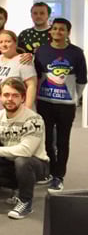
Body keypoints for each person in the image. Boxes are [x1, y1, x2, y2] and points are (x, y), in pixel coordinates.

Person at [0, 78, 49, 220]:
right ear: (1, 97)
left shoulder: (34, 119)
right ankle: (18, 189)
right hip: (11, 160)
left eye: (15, 95)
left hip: (36, 163)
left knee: (22, 162)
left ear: (23, 98)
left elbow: (26, 151)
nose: (10, 99)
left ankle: (26, 202)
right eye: (6, 95)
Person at [34, 18, 87, 192]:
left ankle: (59, 176)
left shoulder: (76, 53)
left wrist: (74, 97)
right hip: (44, 103)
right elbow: (35, 76)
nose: (57, 32)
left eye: (62, 29)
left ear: (68, 32)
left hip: (66, 106)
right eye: (55, 28)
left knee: (63, 141)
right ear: (50, 31)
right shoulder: (41, 51)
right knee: (47, 140)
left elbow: (82, 80)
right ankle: (50, 171)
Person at [0, 31, 37, 113]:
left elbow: (32, 86)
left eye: (8, 41)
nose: (4, 44)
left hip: (17, 113)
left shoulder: (23, 60)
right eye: (1, 42)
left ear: (15, 43)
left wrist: (26, 112)